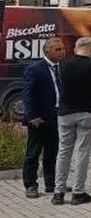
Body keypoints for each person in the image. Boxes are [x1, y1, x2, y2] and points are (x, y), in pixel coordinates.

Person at [52, 36, 91, 206]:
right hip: (87, 112)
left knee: (63, 151)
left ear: (76, 48)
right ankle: (78, 192)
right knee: (82, 151)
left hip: (65, 113)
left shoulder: (63, 64)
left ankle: (58, 192)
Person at [20, 39, 66, 199]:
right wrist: (32, 115)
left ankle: (51, 183)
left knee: (53, 151)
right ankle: (31, 184)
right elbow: (27, 93)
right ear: (47, 52)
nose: (62, 51)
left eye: (63, 48)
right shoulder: (35, 69)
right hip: (39, 118)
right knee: (33, 153)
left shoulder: (62, 68)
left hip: (57, 115)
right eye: (58, 49)